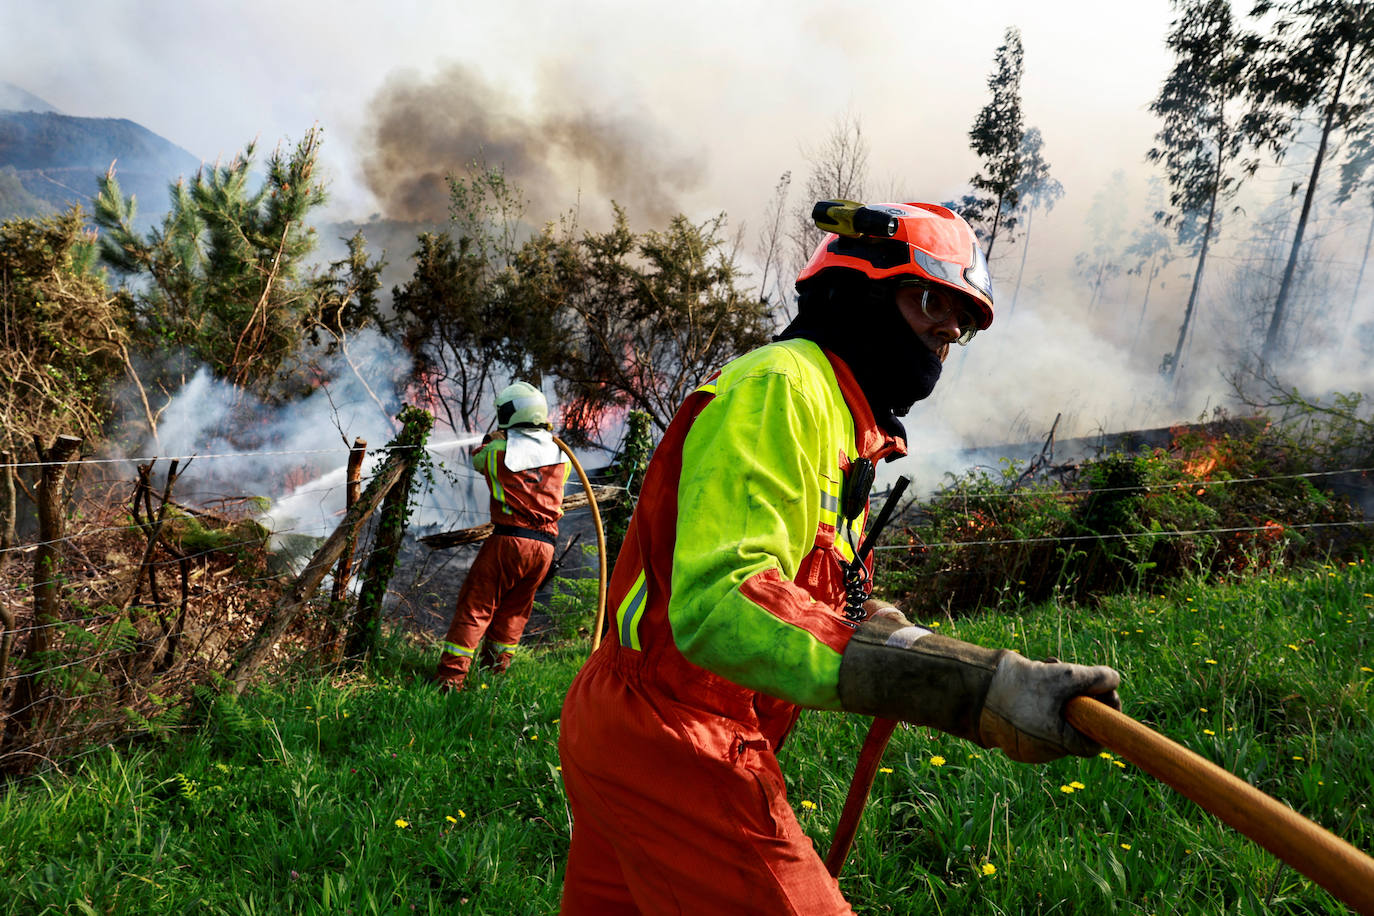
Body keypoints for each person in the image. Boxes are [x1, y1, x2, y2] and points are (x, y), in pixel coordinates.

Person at [556, 202, 1123, 913]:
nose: (948, 330)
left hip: (635, 729)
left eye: (963, 322)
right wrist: (972, 687)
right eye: (929, 300)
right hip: (678, 733)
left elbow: (816, 587)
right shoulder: (783, 389)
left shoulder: (844, 421)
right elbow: (721, 603)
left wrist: (893, 631)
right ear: (859, 291)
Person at [434, 381, 570, 690]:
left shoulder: (497, 451)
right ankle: (494, 675)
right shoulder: (562, 458)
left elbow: (479, 459)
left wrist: (493, 438)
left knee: (477, 606)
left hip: (509, 541)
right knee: (514, 611)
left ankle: (450, 679)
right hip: (545, 549)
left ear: (508, 414)